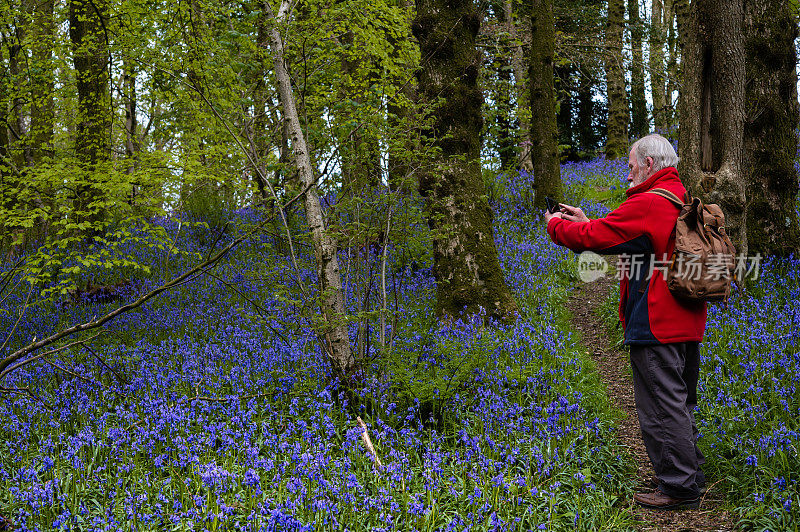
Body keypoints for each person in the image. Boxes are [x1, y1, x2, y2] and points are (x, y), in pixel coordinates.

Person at [544, 134, 707, 510]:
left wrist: (556, 225)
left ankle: (679, 488)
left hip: (655, 322)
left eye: (631, 166)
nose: (627, 173)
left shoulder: (648, 202)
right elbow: (627, 239)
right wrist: (590, 220)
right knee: (678, 401)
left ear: (649, 165)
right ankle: (689, 473)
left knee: (660, 407)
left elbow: (593, 238)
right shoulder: (679, 197)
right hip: (687, 320)